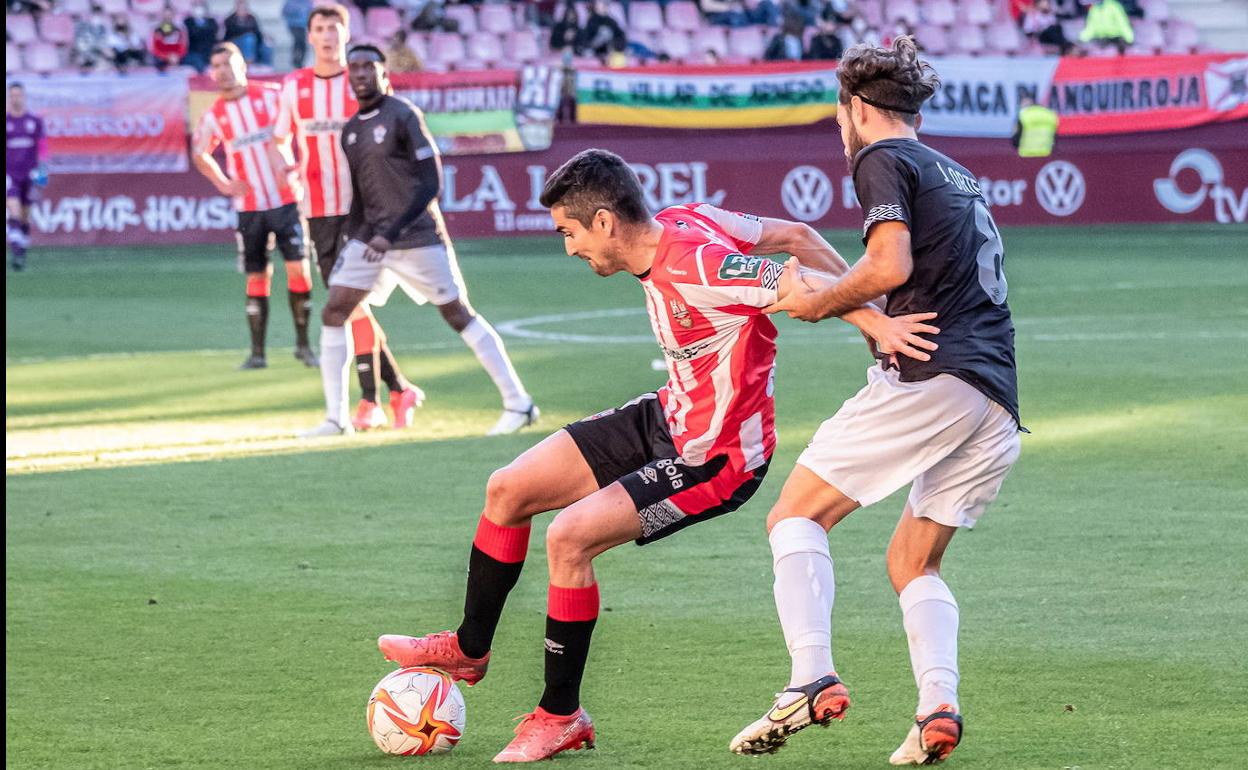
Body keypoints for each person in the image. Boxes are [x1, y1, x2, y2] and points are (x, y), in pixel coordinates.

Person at [374, 148, 939, 762]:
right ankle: (469, 648)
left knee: (569, 538)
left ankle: (559, 715)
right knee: (508, 489)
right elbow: (797, 236)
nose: (569, 249)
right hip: (669, 414)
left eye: (570, 232)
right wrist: (877, 314)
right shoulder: (687, 216)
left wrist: (880, 328)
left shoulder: (699, 264)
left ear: (605, 223)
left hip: (718, 458)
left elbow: (793, 283)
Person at [729, 36, 1021, 765]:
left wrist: (823, 302)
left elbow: (889, 262)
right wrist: (869, 314)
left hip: (935, 377)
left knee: (795, 514)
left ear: (855, 107)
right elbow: (902, 276)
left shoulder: (879, 157)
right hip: (997, 395)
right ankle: (937, 707)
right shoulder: (952, 169)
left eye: (840, 113)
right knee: (912, 562)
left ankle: (809, 677)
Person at [304, 45, 538, 438]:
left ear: (383, 73)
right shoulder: (351, 130)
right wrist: (355, 238)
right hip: (371, 242)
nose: (360, 73)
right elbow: (361, 195)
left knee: (457, 314)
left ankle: (519, 404)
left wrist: (388, 233)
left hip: (417, 237)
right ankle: (335, 418)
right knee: (334, 310)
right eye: (354, 67)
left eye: (368, 66)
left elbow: (431, 182)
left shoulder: (404, 115)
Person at [275, 4, 424, 432]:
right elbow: (279, 140)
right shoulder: (294, 86)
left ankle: (370, 402)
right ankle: (397, 389)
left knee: (349, 302)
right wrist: (287, 169)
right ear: (309, 37)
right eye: (319, 28)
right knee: (347, 304)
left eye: (334, 28)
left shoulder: (362, 82)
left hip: (362, 210)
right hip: (317, 210)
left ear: (345, 33)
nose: (327, 36)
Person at [192, 42, 318, 371]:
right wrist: (223, 183)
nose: (223, 71)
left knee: (299, 270)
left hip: (286, 200)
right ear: (211, 72)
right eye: (216, 65)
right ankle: (257, 353)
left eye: (228, 63)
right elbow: (200, 154)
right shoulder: (215, 115)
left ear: (243, 65)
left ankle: (303, 345)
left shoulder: (274, 95)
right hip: (249, 208)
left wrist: (300, 168)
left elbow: (306, 129)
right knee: (256, 276)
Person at [6, 83, 48, 272]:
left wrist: (43, 169)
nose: (16, 98)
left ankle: (21, 249)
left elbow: (43, 147)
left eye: (18, 95)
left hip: (29, 174)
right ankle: (16, 253)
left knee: (25, 216)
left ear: (23, 97)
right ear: (9, 97)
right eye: (12, 95)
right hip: (9, 174)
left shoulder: (34, 121)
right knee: (13, 211)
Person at [225, 0, 272, 64]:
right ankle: (249, 62)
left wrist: (265, 38)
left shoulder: (252, 18)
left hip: (252, 41)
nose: (243, 9)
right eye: (241, 7)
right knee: (249, 38)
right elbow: (230, 34)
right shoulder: (230, 19)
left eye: (244, 8)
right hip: (235, 43)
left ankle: (266, 67)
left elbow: (257, 32)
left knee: (266, 45)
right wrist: (247, 33)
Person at [183, 1, 220, 72]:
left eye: (200, 6)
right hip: (194, 52)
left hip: (209, 51)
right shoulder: (188, 22)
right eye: (196, 6)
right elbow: (193, 35)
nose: (199, 9)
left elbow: (213, 37)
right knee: (197, 60)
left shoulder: (212, 21)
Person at [151, 7, 189, 72]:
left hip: (178, 57)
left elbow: (184, 45)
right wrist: (167, 56)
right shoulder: (156, 29)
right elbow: (154, 48)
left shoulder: (180, 28)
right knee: (158, 62)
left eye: (169, 15)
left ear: (173, 15)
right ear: (162, 16)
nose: (167, 17)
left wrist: (177, 56)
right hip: (162, 58)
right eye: (165, 15)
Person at [282, 0, 313, 68]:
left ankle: (300, 61)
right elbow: (284, 12)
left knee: (302, 43)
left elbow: (312, 13)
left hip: (303, 26)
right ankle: (296, 60)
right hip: (294, 25)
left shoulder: (308, 2)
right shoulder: (290, 2)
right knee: (298, 40)